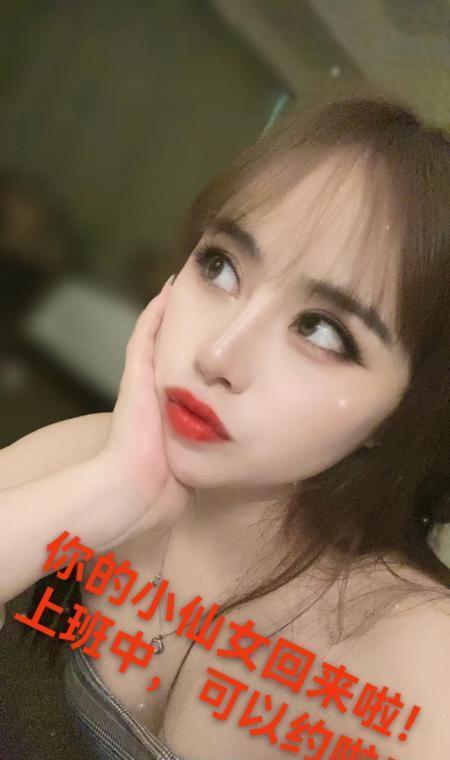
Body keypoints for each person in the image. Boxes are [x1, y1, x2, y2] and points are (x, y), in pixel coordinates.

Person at [0, 96, 449, 760]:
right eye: (221, 267)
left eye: (322, 331)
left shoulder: (418, 666)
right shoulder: (86, 456)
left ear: (405, 413)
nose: (218, 354)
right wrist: (109, 492)